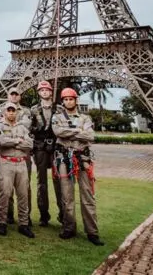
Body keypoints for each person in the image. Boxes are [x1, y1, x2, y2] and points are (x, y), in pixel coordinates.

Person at [52, 87, 104, 246]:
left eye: (71, 99)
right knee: (67, 196)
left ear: (76, 100)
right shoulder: (57, 116)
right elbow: (57, 132)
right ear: (63, 101)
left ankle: (92, 232)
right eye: (65, 99)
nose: (68, 101)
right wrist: (78, 131)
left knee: (87, 196)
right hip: (64, 159)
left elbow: (90, 136)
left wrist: (69, 132)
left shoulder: (85, 117)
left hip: (83, 158)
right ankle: (69, 228)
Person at [0, 102, 34, 238]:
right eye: (9, 110)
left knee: (23, 194)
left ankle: (23, 224)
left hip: (21, 163)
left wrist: (14, 141)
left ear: (17, 112)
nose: (11, 113)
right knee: (5, 193)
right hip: (7, 162)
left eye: (14, 110)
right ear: (5, 112)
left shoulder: (22, 127)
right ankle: (2, 222)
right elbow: (2, 142)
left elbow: (30, 144)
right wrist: (18, 141)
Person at [29, 80, 64, 226]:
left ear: (51, 92)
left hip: (56, 147)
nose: (44, 92)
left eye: (47, 90)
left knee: (59, 182)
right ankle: (44, 215)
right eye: (42, 90)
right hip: (40, 147)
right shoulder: (33, 110)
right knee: (41, 182)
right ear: (39, 93)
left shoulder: (60, 109)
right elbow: (29, 129)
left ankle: (63, 215)